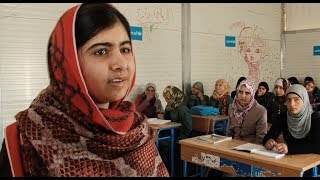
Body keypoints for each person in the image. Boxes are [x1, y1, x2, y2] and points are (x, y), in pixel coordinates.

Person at [0, 3, 169, 177]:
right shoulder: (27, 136)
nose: (121, 64)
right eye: (101, 51)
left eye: (125, 49)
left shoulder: (137, 131)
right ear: (69, 63)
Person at [262, 84, 320, 176]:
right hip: (291, 164)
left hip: (312, 167)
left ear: (304, 100)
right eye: (288, 100)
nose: (292, 104)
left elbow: (317, 147)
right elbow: (267, 137)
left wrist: (289, 148)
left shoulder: (316, 119)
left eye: (296, 99)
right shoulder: (283, 117)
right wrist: (269, 141)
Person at [160, 85, 193, 176]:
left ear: (175, 97)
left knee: (170, 148)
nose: (167, 101)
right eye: (165, 99)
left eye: (168, 99)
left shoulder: (182, 109)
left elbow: (188, 128)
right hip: (172, 133)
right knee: (159, 145)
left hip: (182, 136)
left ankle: (174, 172)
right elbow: (167, 121)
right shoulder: (170, 107)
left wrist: (179, 140)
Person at [226, 79, 267, 144]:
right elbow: (229, 133)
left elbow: (260, 138)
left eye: (247, 93)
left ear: (252, 94)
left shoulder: (261, 111)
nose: (243, 96)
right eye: (240, 92)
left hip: (251, 147)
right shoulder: (232, 107)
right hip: (233, 146)